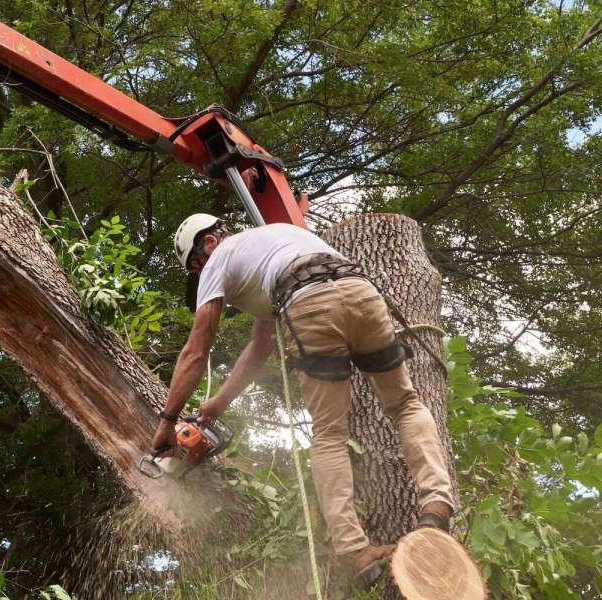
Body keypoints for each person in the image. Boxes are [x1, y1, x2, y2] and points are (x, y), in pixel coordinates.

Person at [152, 213, 456, 588]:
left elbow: (196, 351)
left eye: (197, 268)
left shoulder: (221, 257)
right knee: (405, 403)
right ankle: (437, 504)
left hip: (308, 301)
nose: (201, 276)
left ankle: (354, 551)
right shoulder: (275, 241)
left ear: (208, 243)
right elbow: (260, 346)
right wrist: (218, 403)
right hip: (361, 291)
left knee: (329, 433)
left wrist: (167, 422)